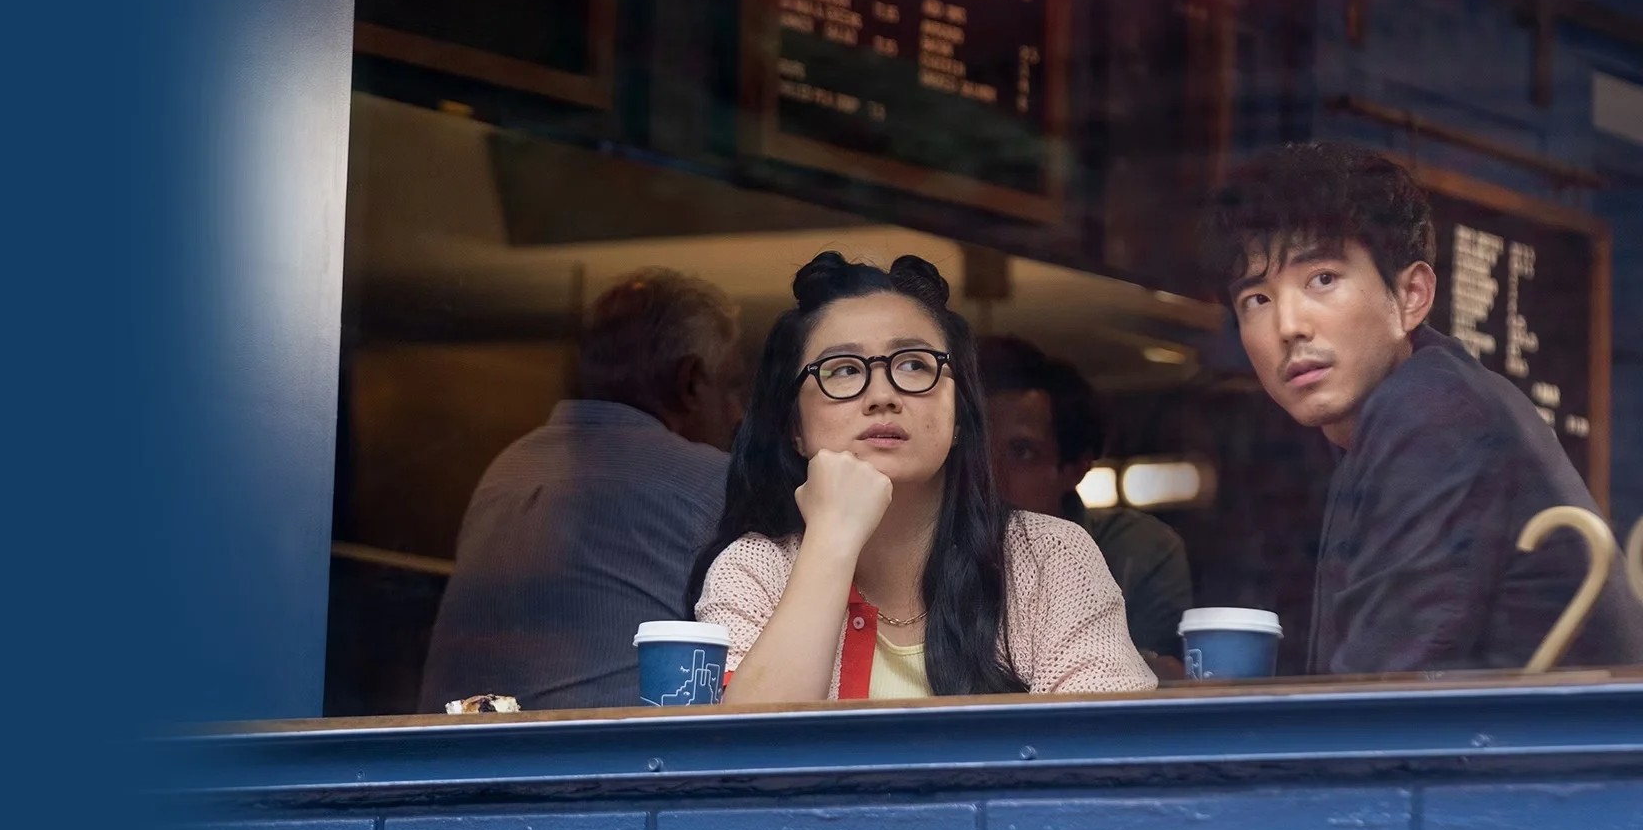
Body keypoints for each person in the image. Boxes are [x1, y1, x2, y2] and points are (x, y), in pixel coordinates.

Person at [1199, 142, 1643, 674]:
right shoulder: (1402, 412)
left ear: (1412, 295)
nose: (1288, 326)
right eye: (1257, 300)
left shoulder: (1433, 413)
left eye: (1322, 279)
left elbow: (1383, 699)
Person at [690, 252, 1155, 701]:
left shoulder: (1050, 559)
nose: (882, 395)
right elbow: (752, 760)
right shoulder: (753, 569)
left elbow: (1106, 751)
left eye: (914, 365)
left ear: (958, 417)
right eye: (844, 370)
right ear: (795, 428)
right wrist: (831, 540)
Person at [420, 268, 749, 711]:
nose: (736, 415)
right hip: (608, 764)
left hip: (447, 757)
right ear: (689, 381)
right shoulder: (706, 478)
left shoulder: (508, 466)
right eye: (730, 386)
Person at [980, 336, 1194, 665]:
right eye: (977, 451)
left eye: (1021, 453)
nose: (990, 473)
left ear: (1075, 468)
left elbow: (1155, 687)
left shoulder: (1135, 551)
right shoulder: (934, 549)